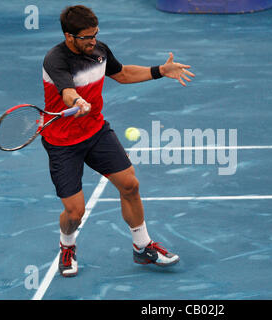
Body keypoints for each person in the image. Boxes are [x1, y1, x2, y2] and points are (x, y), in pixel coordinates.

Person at [41, 5, 195, 277]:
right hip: (63, 142)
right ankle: (67, 245)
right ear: (69, 37)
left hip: (96, 131)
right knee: (74, 213)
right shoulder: (55, 60)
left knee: (130, 184)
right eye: (86, 37)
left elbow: (122, 74)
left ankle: (142, 247)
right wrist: (77, 101)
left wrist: (160, 70)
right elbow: (66, 91)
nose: (93, 41)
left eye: (95, 35)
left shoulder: (99, 50)